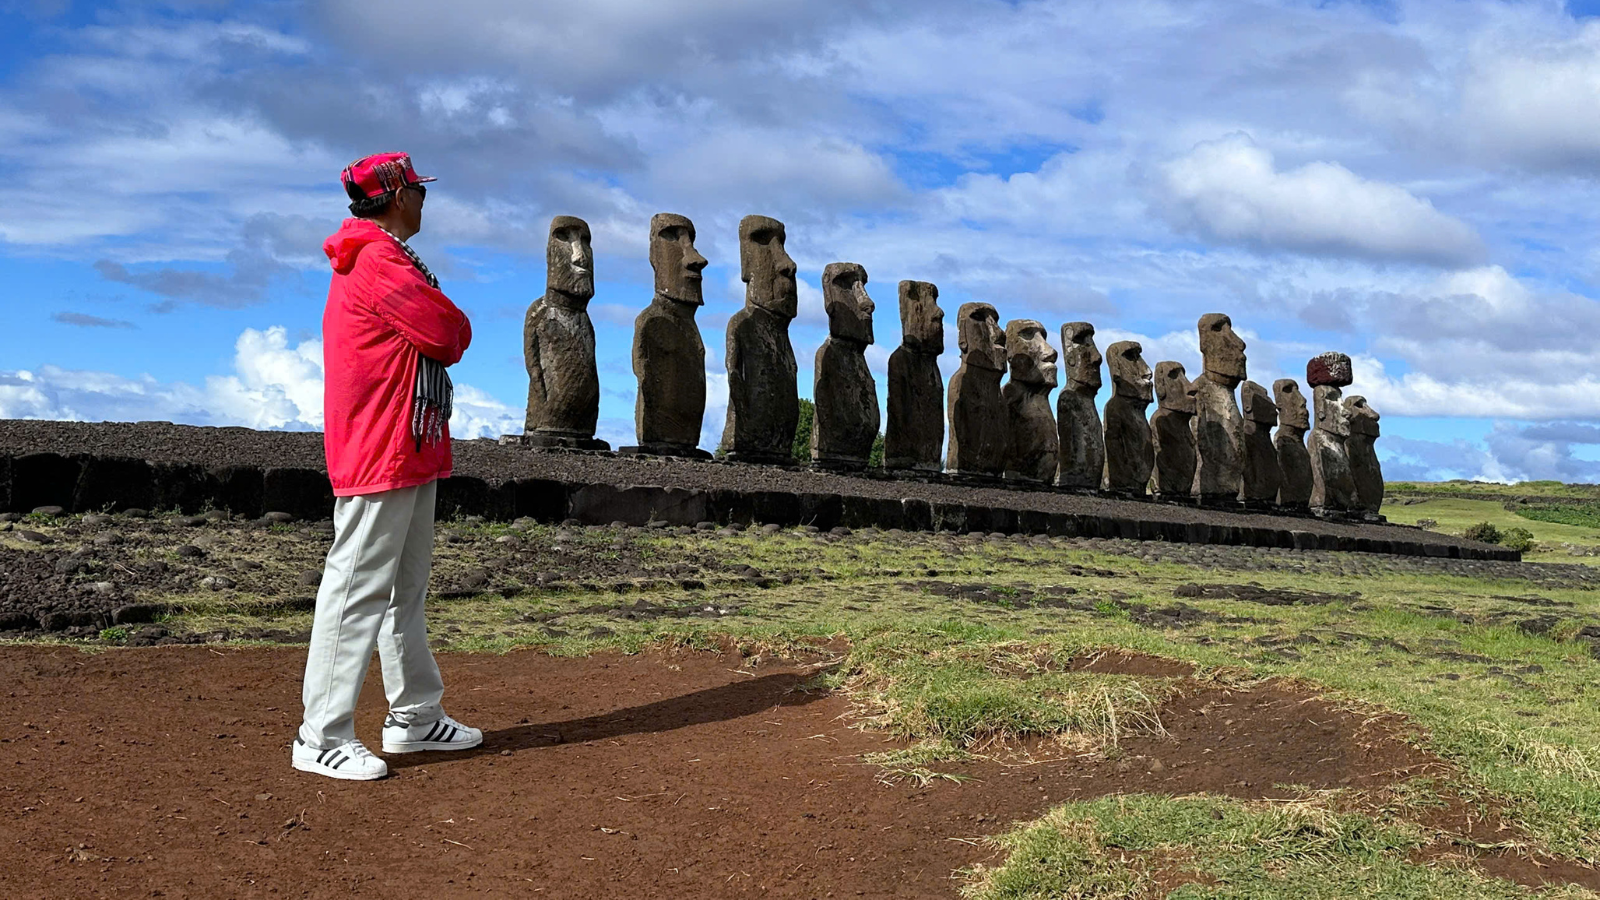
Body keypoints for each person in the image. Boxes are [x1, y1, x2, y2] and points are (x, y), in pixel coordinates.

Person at [293, 152, 481, 781]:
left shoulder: (381, 256)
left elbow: (442, 332)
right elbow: (447, 332)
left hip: (406, 441)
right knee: (355, 589)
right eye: (418, 191)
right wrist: (450, 318)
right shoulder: (377, 259)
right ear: (397, 197)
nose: (425, 200)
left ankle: (416, 717)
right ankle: (320, 736)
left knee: (404, 589)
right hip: (383, 443)